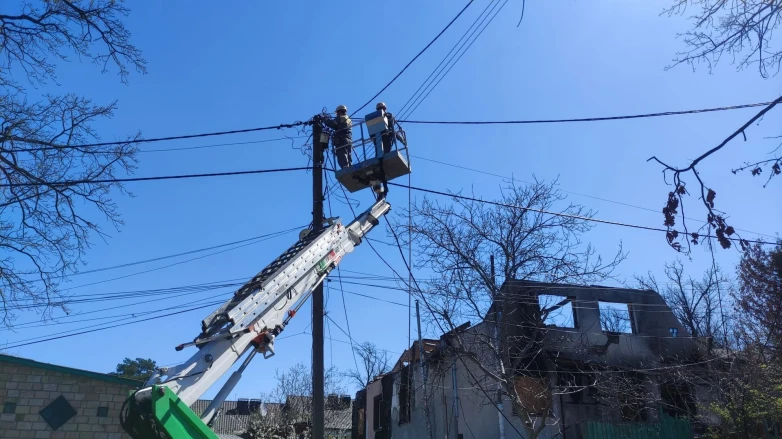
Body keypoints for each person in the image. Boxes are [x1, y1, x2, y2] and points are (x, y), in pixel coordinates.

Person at [323, 104, 353, 168]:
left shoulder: (340, 118)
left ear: (339, 111)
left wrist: (325, 119)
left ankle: (345, 168)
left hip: (341, 140)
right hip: (348, 140)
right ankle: (349, 166)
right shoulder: (349, 119)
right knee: (348, 154)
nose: (336, 114)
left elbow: (331, 124)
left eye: (337, 113)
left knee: (341, 154)